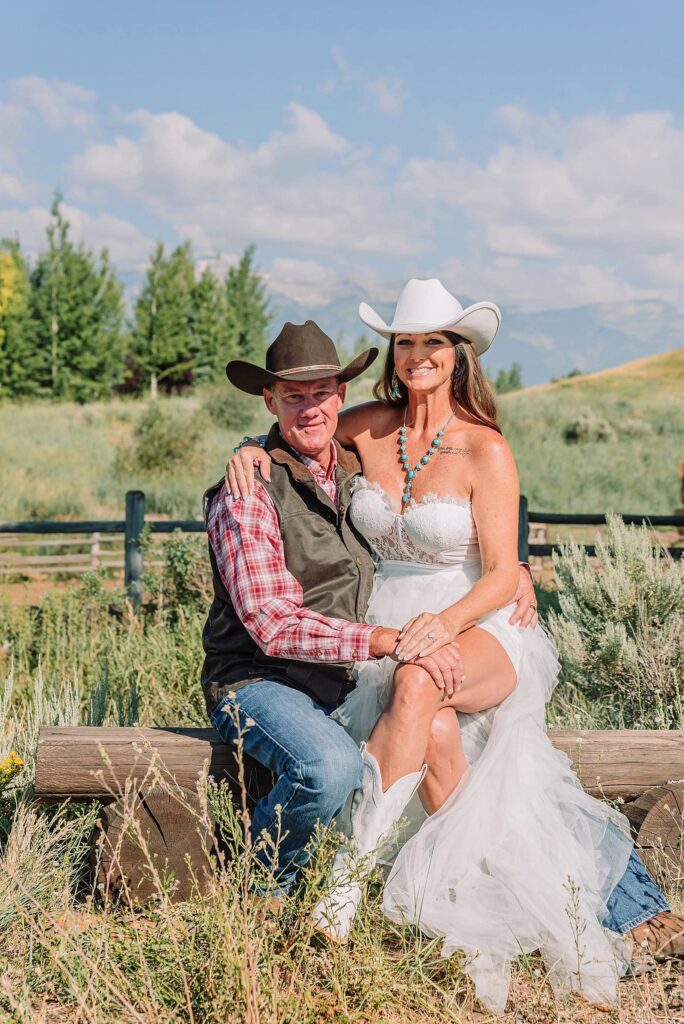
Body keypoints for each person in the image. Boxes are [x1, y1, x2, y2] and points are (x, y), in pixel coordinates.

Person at [226, 279, 684, 1015]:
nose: (417, 355)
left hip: (478, 626)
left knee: (418, 686)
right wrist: (246, 452)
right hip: (391, 626)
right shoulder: (366, 426)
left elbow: (502, 569)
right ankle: (492, 898)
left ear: (458, 353)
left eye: (432, 342)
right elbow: (298, 424)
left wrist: (457, 616)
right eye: (405, 342)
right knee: (432, 728)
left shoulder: (486, 448)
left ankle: (343, 884)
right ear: (393, 355)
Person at [203, 318, 534, 907]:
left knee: (435, 727)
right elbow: (271, 623)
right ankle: (264, 896)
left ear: (341, 394)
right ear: (269, 398)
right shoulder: (251, 488)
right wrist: (249, 448)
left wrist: (514, 574)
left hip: (353, 665)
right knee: (331, 765)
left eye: (321, 392)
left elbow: (469, 539)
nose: (310, 409)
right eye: (293, 396)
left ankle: (470, 892)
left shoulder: (353, 457)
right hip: (259, 676)